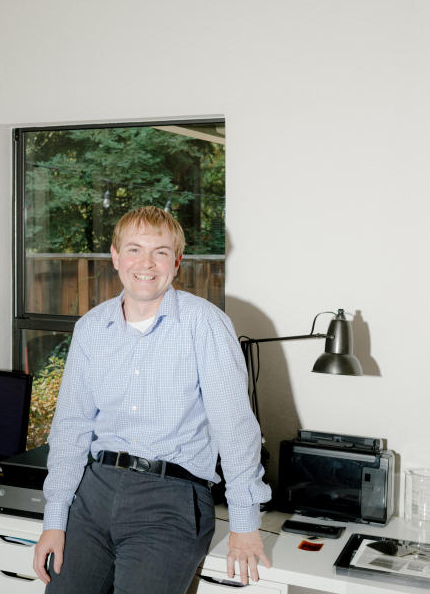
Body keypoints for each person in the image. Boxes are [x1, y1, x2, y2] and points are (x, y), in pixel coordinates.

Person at [32, 206, 271, 594]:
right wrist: (54, 520)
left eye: (160, 251)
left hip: (170, 501)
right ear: (115, 256)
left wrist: (245, 525)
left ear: (176, 261)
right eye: (134, 249)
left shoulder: (204, 323)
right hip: (93, 495)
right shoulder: (92, 328)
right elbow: (71, 428)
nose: (146, 263)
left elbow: (235, 426)